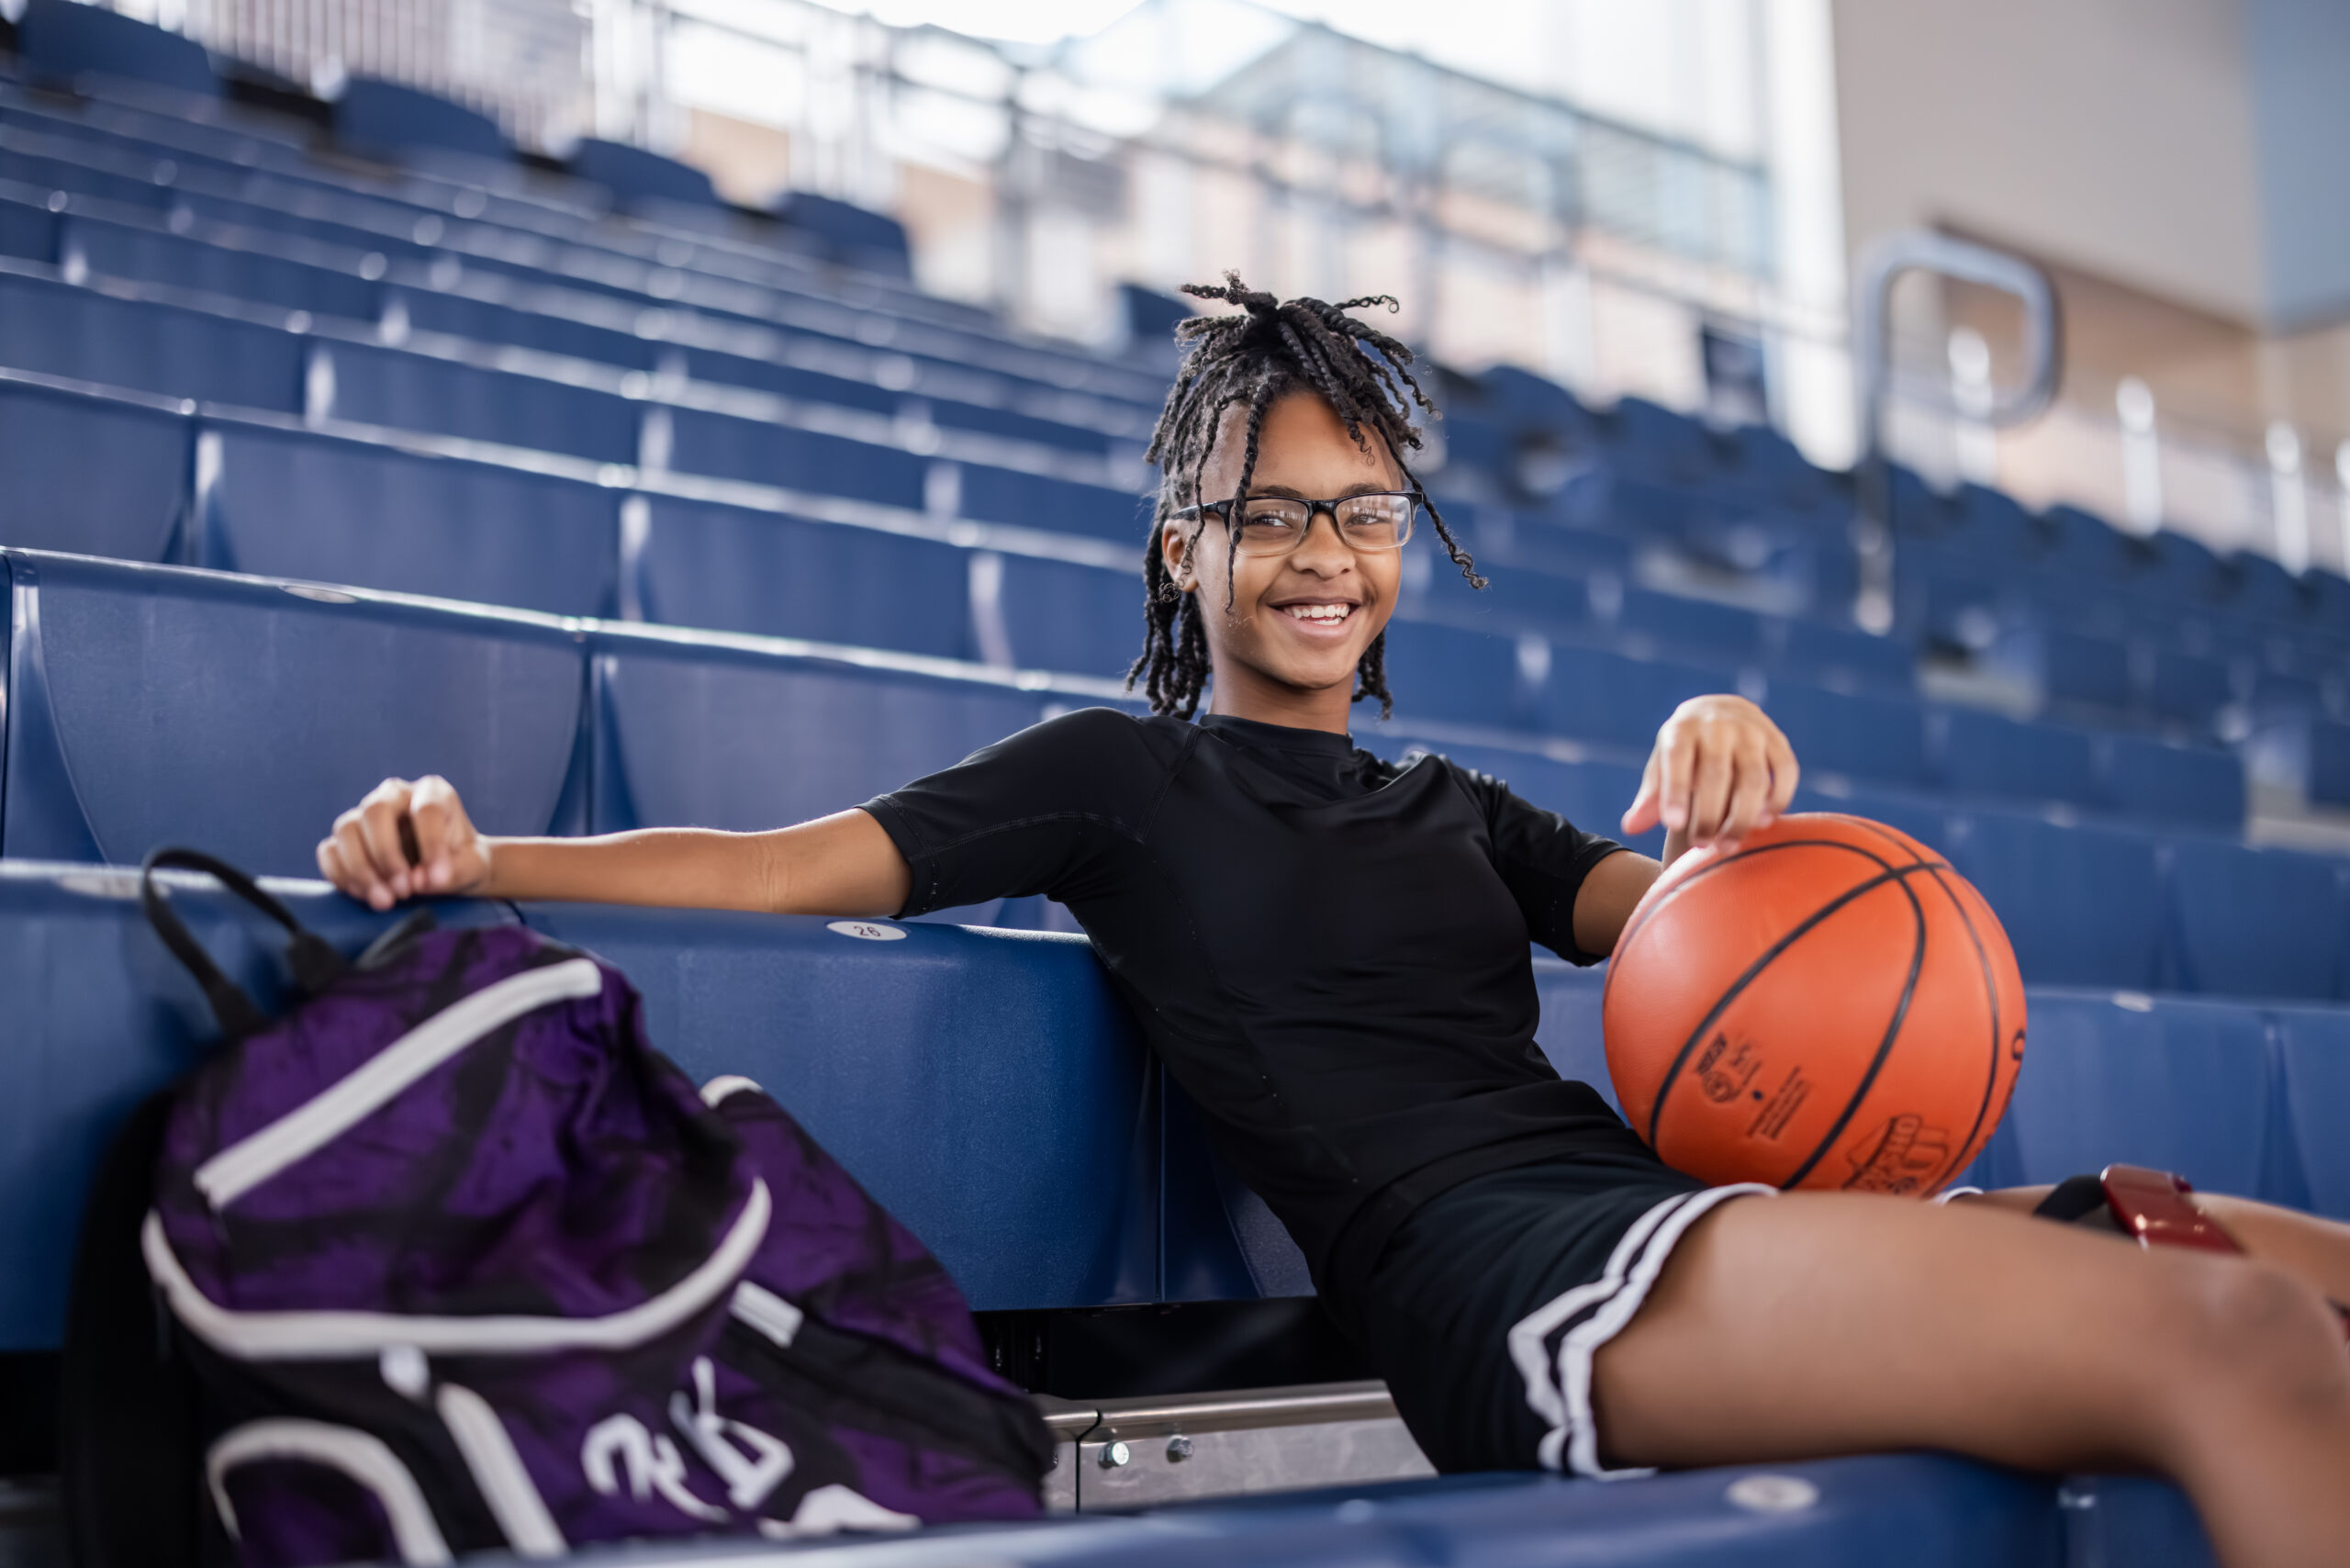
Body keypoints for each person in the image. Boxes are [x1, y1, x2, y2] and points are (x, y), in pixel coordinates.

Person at [319, 277, 2350, 1566]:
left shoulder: (1452, 806)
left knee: (2301, 1268)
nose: (1321, 554)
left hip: (1660, 1209)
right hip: (1512, 1284)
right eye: (1271, 512)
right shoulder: (1108, 776)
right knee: (2231, 1334)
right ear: (1180, 545)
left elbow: (1736, 935)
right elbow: (777, 864)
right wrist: (477, 845)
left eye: (1360, 515)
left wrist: (1728, 745)